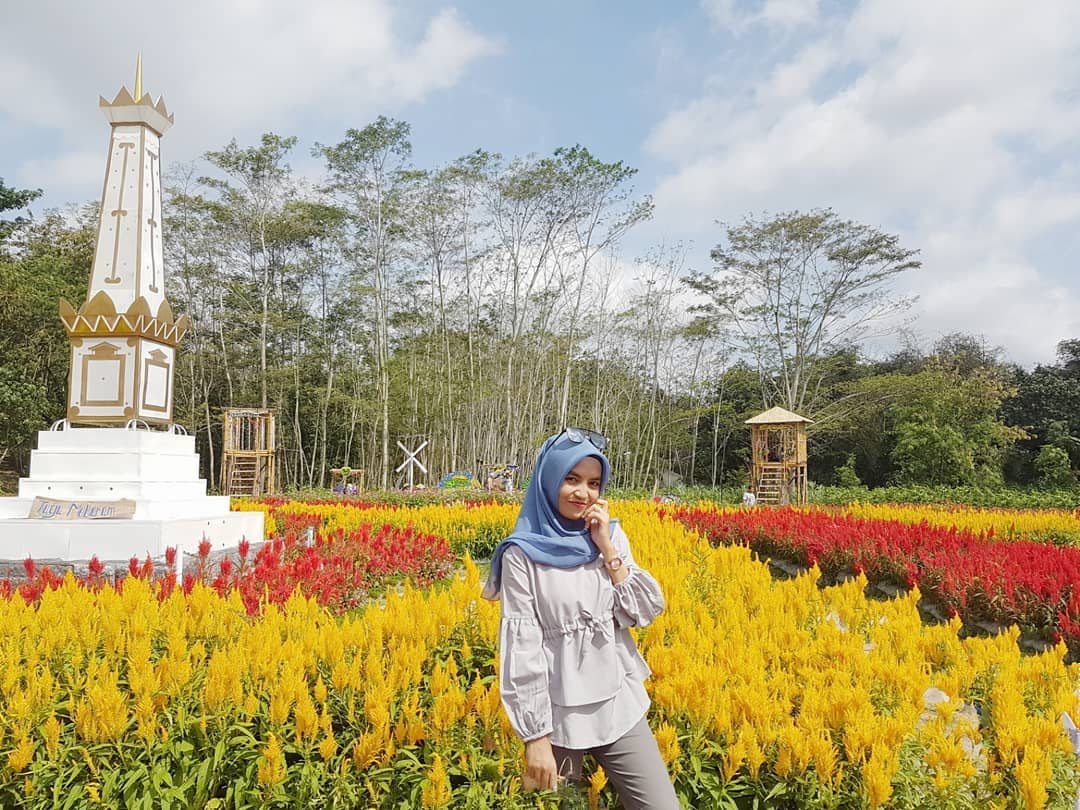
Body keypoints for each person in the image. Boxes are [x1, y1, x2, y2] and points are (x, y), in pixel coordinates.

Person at [482, 428, 678, 809]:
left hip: (617, 702)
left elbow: (644, 611)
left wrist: (606, 546)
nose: (582, 492)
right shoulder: (521, 555)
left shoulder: (609, 537)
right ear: (548, 479)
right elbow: (523, 649)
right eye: (571, 479)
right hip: (555, 718)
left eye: (592, 483)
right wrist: (535, 737)